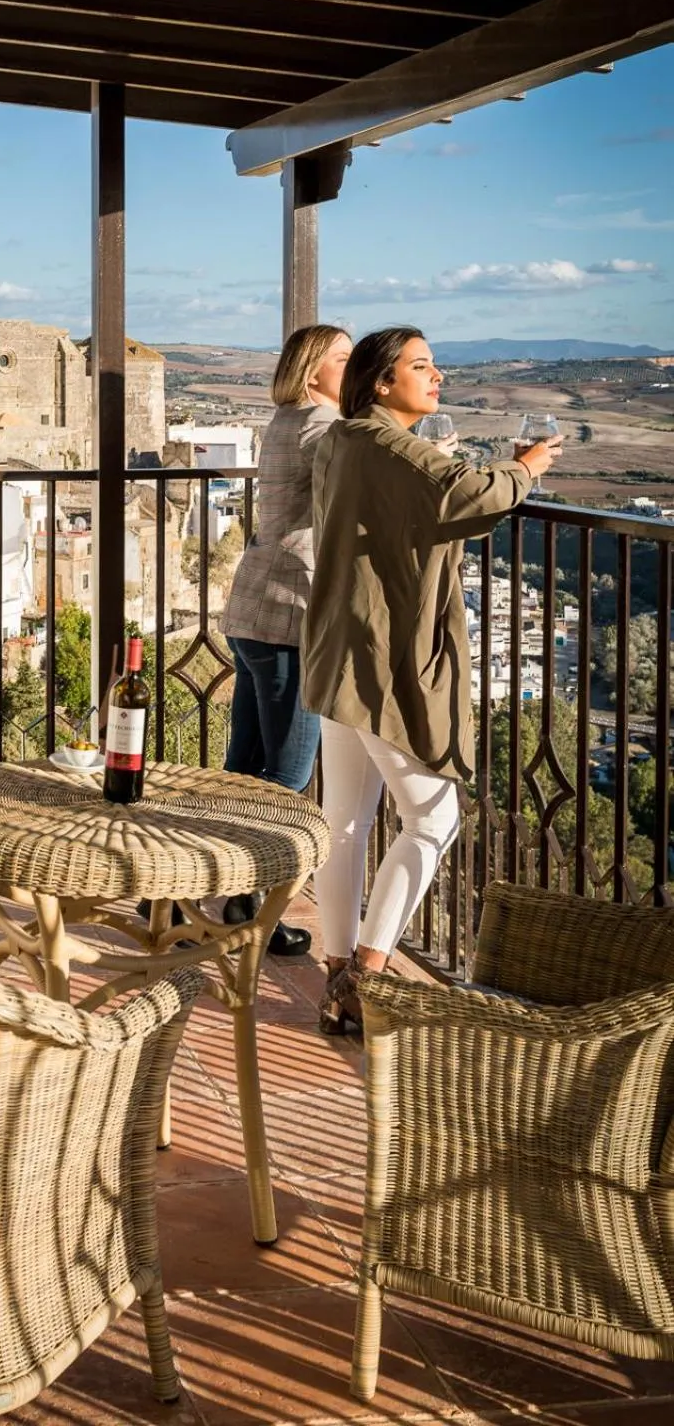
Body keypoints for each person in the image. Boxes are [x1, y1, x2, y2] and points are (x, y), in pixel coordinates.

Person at [299, 326, 561, 1029]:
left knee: (344, 821)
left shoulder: (342, 440)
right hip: (382, 655)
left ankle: (336, 971)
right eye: (421, 365)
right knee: (433, 818)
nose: (436, 375)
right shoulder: (386, 444)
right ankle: (370, 973)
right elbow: (468, 491)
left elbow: (416, 511)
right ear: (382, 382)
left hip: (338, 646)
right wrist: (528, 466)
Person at [220, 322, 352, 957]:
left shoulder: (282, 421)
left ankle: (201, 888)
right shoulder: (323, 427)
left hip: (252, 608)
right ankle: (262, 912)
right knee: (287, 776)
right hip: (290, 617)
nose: (353, 371)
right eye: (344, 360)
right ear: (312, 371)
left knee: (241, 769)